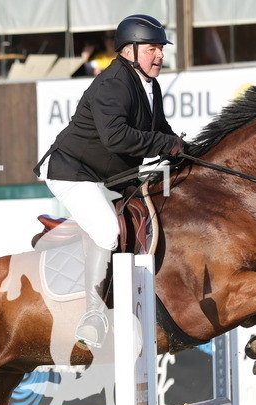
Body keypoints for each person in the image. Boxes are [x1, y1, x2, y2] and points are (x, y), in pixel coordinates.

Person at [35, 14, 184, 349]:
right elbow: (116, 137)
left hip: (111, 175)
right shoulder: (112, 84)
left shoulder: (150, 85)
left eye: (160, 48)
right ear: (129, 51)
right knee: (107, 230)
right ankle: (93, 314)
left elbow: (160, 129)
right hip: (73, 171)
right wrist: (164, 145)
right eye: (151, 49)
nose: (159, 55)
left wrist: (185, 149)